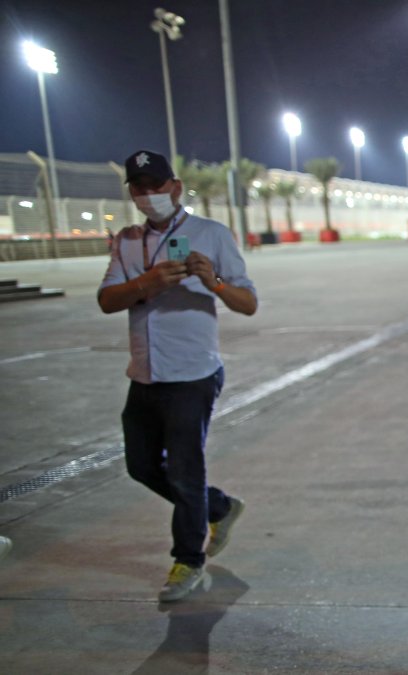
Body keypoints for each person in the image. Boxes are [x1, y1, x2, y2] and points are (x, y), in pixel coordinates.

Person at [98, 150, 257, 603]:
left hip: (193, 373)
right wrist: (149, 282)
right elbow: (108, 300)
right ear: (131, 192)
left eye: (156, 185)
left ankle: (188, 559)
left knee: (187, 471)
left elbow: (248, 303)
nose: (149, 195)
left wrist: (215, 284)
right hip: (144, 374)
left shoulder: (211, 234)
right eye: (139, 187)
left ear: (175, 187)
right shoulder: (127, 241)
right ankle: (219, 507)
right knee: (141, 466)